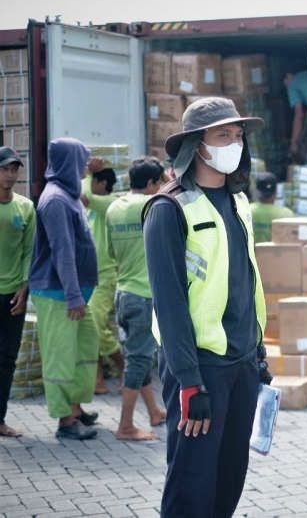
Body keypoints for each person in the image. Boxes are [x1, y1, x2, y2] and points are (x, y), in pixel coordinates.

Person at [143, 97, 272, 517]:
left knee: (229, 478)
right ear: (196, 145)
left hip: (242, 363)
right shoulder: (169, 209)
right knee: (191, 486)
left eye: (237, 136)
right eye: (223, 136)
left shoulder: (238, 203)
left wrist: (258, 351)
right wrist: (189, 382)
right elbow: (169, 304)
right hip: (200, 367)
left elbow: (245, 282)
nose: (233, 144)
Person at [29, 138, 100, 440]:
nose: (87, 164)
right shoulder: (56, 200)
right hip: (59, 292)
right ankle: (65, 422)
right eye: (82, 159)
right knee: (60, 354)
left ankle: (75, 405)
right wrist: (73, 294)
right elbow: (63, 251)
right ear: (70, 161)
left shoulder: (71, 194)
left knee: (85, 347)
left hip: (76, 291)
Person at [106, 157, 167, 441]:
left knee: (137, 355)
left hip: (124, 291)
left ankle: (154, 411)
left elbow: (110, 253)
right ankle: (126, 426)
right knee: (139, 360)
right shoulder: (152, 206)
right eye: (161, 182)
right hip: (143, 295)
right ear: (153, 183)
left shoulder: (113, 208)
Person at [0, 147, 35, 438]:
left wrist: (25, 285)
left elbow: (28, 251)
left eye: (14, 170)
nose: (10, 175)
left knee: (8, 358)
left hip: (13, 294)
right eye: (5, 169)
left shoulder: (25, 207)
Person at [81, 165, 124, 394]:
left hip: (105, 276)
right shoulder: (94, 208)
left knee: (96, 328)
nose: (89, 184)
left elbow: (84, 196)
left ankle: (123, 367)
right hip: (88, 275)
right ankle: (98, 380)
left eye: (93, 181)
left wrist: (87, 172)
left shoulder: (110, 203)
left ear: (102, 184)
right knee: (91, 327)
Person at [284, 70, 307, 165]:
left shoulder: (292, 85)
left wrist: (294, 143)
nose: (286, 86)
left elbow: (299, 115)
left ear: (287, 76)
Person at [250, 172, 294, 242]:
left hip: (251, 253)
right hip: (276, 253)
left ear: (256, 191)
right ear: (276, 192)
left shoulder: (247, 210)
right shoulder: (287, 215)